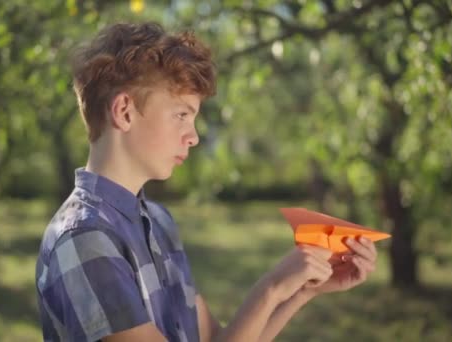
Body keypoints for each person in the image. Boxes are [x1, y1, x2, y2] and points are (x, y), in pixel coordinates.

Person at [35, 22, 378, 342]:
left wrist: (304, 289)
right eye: (182, 114)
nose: (193, 137)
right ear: (124, 112)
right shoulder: (84, 239)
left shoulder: (158, 221)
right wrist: (271, 287)